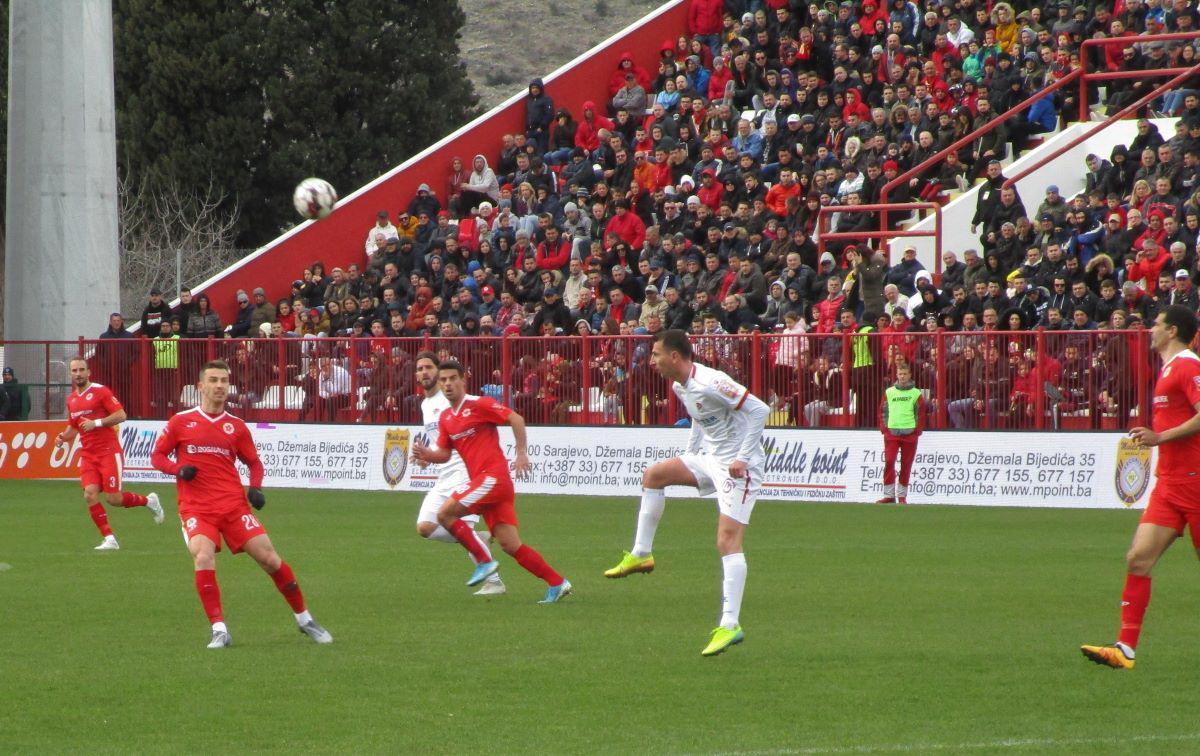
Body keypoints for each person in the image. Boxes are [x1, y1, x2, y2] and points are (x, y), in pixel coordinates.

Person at [604, 329, 769, 657]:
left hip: (739, 468)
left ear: (675, 356)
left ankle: (730, 624)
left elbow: (759, 410)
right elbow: (700, 418)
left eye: (655, 354)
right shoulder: (680, 384)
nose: (651, 361)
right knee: (654, 474)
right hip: (710, 459)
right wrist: (691, 453)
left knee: (726, 541)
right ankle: (641, 553)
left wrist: (743, 457)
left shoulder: (712, 381)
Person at [150, 359, 333, 649]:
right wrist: (178, 470)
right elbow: (157, 457)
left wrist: (256, 487)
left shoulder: (236, 427)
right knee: (203, 556)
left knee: (270, 559)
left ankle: (304, 618)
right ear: (200, 386)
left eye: (224, 380)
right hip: (197, 508)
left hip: (234, 507)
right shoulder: (181, 422)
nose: (219, 385)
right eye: (213, 380)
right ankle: (220, 629)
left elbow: (254, 462)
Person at [1082, 306, 1200, 668]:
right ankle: (1125, 649)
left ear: (1173, 330)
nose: (1151, 329)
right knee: (1138, 559)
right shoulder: (1168, 368)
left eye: (1157, 324)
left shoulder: (1188, 365)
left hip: (1195, 483)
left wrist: (1159, 437)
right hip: (1169, 484)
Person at [411, 359, 571, 603]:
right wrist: (426, 456)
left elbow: (515, 419)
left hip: (493, 478)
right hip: (488, 485)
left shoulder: (479, 404)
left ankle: (484, 562)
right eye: (443, 380)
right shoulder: (446, 417)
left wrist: (520, 453)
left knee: (445, 514)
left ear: (463, 380)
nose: (448, 384)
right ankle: (557, 583)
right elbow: (444, 454)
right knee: (510, 545)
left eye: (453, 378)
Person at [412, 352, 505, 596]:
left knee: (453, 522)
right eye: (420, 368)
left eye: (429, 367)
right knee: (424, 527)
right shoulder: (425, 404)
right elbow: (441, 443)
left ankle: (494, 582)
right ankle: (477, 538)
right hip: (444, 474)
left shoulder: (451, 397)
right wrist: (426, 457)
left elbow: (475, 406)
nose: (424, 372)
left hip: (465, 472)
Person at [54, 358, 164, 550]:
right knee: (89, 495)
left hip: (108, 452)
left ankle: (149, 501)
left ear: (89, 372)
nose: (78, 374)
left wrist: (96, 423)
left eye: (81, 370)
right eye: (74, 371)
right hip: (88, 454)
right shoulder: (71, 399)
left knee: (114, 499)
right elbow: (74, 427)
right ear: (70, 374)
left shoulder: (101, 391)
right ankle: (109, 538)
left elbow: (121, 415)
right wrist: (63, 437)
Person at [876, 363, 926, 504]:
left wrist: (917, 431)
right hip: (892, 433)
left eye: (905, 374)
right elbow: (882, 411)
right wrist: (884, 429)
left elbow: (921, 414)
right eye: (900, 374)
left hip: (909, 434)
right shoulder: (889, 392)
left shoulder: (916, 393)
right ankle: (889, 495)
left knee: (906, 465)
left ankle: (902, 496)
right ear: (896, 375)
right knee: (889, 461)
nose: (902, 376)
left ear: (910, 375)